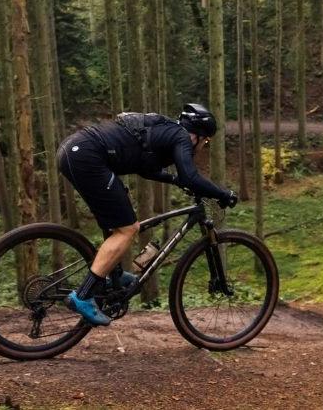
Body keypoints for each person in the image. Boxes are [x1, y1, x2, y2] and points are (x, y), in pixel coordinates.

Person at [56, 103, 238, 326]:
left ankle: (114, 275)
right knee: (128, 228)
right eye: (206, 142)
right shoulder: (181, 137)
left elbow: (146, 167)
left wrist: (174, 180)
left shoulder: (165, 131)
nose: (203, 147)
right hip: (87, 156)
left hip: (74, 150)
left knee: (119, 221)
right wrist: (223, 194)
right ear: (198, 137)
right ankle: (83, 296)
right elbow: (191, 177)